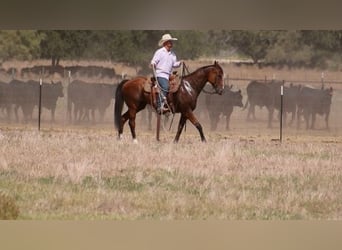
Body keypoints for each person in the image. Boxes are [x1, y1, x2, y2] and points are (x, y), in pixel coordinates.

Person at [150, 33, 183, 114]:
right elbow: (154, 61)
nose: (171, 43)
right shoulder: (159, 52)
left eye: (171, 42)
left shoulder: (173, 54)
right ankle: (159, 106)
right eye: (169, 42)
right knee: (165, 86)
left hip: (168, 75)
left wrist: (180, 63)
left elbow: (174, 64)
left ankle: (172, 104)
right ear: (165, 43)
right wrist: (153, 64)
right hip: (160, 74)